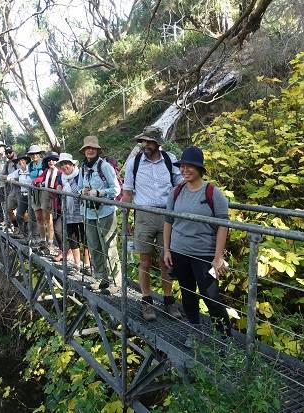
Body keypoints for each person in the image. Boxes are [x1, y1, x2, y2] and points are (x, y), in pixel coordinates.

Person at [163, 146, 232, 341]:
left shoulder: (212, 193)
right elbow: (168, 221)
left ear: (199, 168)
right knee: (187, 293)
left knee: (211, 296)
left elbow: (223, 226)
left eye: (189, 167)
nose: (184, 170)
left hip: (204, 254)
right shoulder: (176, 192)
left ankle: (224, 338)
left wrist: (218, 258)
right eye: (182, 166)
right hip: (178, 252)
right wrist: (167, 250)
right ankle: (195, 332)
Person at [122, 126, 183, 320]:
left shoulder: (170, 159)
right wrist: (126, 217)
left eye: (149, 142)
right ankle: (147, 301)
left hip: (167, 214)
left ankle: (168, 300)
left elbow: (180, 184)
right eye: (143, 142)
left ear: (158, 143)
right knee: (145, 261)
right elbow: (128, 192)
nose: (145, 145)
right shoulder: (135, 162)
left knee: (166, 260)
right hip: (144, 216)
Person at [76, 135, 122, 293]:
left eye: (93, 148)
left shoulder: (105, 166)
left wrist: (99, 192)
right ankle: (100, 278)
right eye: (87, 148)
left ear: (97, 150)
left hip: (105, 212)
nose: (90, 150)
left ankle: (115, 281)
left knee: (109, 245)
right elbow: (79, 187)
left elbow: (116, 189)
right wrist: (82, 191)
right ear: (84, 151)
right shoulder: (83, 168)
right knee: (94, 246)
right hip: (88, 212)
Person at [56, 153, 90, 270]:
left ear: (72, 164)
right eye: (62, 164)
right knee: (72, 236)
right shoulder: (61, 177)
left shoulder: (81, 174)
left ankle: (86, 262)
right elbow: (58, 186)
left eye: (67, 163)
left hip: (82, 210)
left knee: (85, 236)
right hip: (68, 212)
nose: (65, 166)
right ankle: (77, 264)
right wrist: (59, 188)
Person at [34, 151, 60, 256]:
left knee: (50, 219)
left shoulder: (60, 172)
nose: (51, 162)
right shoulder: (47, 171)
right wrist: (37, 182)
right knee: (45, 218)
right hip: (47, 196)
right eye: (49, 160)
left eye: (53, 160)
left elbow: (59, 183)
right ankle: (45, 240)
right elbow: (39, 178)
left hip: (55, 200)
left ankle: (51, 242)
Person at [6, 154, 31, 238]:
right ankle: (23, 233)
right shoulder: (19, 171)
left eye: (23, 160)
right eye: (19, 161)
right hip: (23, 195)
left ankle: (29, 235)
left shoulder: (30, 169)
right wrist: (12, 180)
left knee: (30, 216)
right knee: (20, 215)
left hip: (31, 194)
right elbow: (9, 176)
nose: (21, 162)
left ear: (26, 160)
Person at [26, 144, 46, 245]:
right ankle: (42, 239)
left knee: (47, 216)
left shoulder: (44, 163)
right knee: (38, 216)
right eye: (32, 154)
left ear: (40, 154)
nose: (35, 155)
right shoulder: (30, 165)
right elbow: (30, 177)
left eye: (36, 153)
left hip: (44, 192)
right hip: (34, 192)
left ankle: (51, 241)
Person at [2, 146, 19, 231]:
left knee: (22, 211)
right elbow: (2, 175)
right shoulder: (7, 163)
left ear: (14, 151)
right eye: (7, 153)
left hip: (22, 189)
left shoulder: (20, 160)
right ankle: (16, 226)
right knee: (9, 209)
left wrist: (10, 177)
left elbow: (23, 174)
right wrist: (8, 177)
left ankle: (24, 231)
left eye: (10, 152)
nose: (8, 154)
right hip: (12, 189)